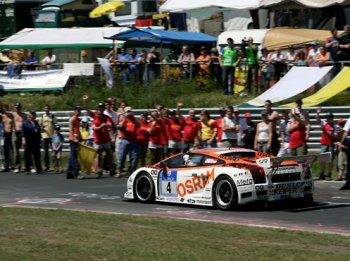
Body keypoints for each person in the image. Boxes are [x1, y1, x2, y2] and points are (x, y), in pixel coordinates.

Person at [91, 103, 114, 177]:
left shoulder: (106, 117)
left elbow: (110, 124)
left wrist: (106, 125)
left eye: (101, 110)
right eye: (99, 110)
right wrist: (100, 127)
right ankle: (99, 170)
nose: (100, 111)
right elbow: (94, 127)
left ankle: (112, 170)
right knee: (98, 155)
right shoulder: (95, 118)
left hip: (105, 139)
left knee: (109, 154)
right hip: (98, 140)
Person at [316, 108, 337, 180]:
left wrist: (331, 133)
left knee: (330, 160)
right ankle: (322, 173)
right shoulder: (324, 123)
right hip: (324, 143)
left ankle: (329, 174)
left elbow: (335, 136)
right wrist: (318, 113)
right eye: (327, 117)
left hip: (331, 144)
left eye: (329, 117)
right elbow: (318, 119)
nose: (328, 119)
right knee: (322, 159)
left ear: (332, 118)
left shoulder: (334, 126)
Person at [117, 106, 138, 177]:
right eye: (128, 111)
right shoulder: (123, 119)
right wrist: (125, 118)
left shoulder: (134, 120)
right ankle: (119, 171)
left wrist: (133, 117)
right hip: (125, 139)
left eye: (130, 111)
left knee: (133, 157)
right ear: (125, 112)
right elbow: (120, 126)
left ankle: (132, 171)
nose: (129, 113)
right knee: (122, 156)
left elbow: (139, 125)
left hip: (133, 140)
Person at [38, 104, 56, 172]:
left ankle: (54, 166)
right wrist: (41, 127)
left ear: (49, 109)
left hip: (52, 136)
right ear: (43, 109)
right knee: (45, 152)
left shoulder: (52, 116)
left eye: (47, 108)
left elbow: (55, 124)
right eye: (45, 108)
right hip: (45, 136)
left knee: (54, 152)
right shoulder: (42, 117)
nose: (46, 109)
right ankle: (46, 166)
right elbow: (39, 125)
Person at [66, 105, 82, 179]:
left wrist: (81, 138)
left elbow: (77, 130)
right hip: (73, 140)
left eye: (80, 110)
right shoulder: (72, 119)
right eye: (77, 110)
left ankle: (69, 172)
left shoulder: (78, 119)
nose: (79, 112)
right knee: (74, 156)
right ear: (75, 111)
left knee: (73, 156)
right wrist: (74, 138)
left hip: (77, 139)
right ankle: (76, 172)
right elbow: (71, 130)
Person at [12, 103, 26, 173]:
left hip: (23, 133)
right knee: (16, 152)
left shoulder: (24, 115)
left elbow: (26, 123)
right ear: (14, 108)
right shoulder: (12, 115)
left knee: (27, 150)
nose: (18, 108)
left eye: (19, 107)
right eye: (16, 107)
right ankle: (17, 166)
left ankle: (28, 165)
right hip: (15, 133)